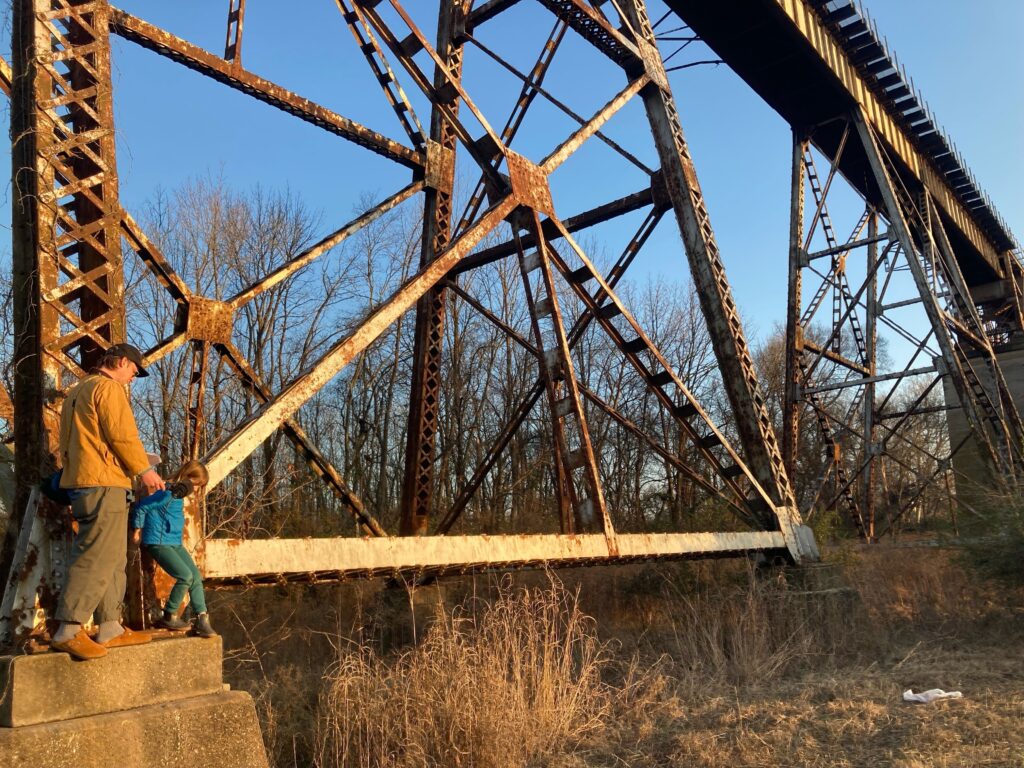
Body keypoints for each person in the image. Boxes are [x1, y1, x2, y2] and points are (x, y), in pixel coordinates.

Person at [51, 343, 165, 660]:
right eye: (133, 370)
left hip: (85, 479)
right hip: (103, 482)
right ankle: (68, 629)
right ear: (121, 363)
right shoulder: (108, 389)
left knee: (113, 555)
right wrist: (144, 470)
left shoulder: (78, 390)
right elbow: (122, 435)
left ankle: (110, 627)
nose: (133, 377)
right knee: (97, 553)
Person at [130, 459, 217, 638]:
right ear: (187, 477)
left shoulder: (178, 493)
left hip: (173, 542)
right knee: (185, 576)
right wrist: (137, 529)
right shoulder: (169, 492)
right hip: (158, 542)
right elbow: (142, 506)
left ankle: (202, 618)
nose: (195, 489)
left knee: (195, 576)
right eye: (196, 484)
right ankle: (169, 614)